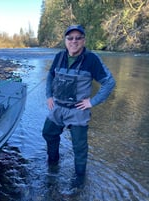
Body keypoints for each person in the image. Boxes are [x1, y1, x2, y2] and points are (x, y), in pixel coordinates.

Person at [42, 25, 115, 189]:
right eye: (70, 38)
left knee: (79, 148)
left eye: (78, 38)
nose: (74, 41)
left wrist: (92, 102)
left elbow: (109, 82)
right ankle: (53, 162)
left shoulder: (92, 59)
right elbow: (50, 76)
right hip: (57, 108)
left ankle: (79, 180)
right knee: (48, 133)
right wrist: (48, 96)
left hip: (78, 111)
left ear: (84, 40)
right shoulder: (59, 56)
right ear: (65, 40)